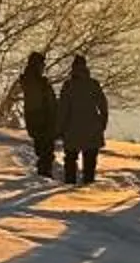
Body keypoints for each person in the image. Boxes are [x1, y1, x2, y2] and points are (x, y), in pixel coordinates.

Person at [57, 53, 108, 186]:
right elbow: (103, 105)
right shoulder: (93, 84)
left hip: (72, 128)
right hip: (92, 128)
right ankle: (88, 185)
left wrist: (60, 128)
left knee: (70, 159)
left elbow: (63, 109)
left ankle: (69, 185)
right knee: (90, 160)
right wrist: (102, 123)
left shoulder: (68, 86)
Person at [15, 50, 58, 177]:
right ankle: (44, 175)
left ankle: (44, 174)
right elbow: (43, 101)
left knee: (44, 149)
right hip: (42, 119)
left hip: (38, 118)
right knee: (46, 150)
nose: (43, 67)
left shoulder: (32, 80)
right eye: (42, 64)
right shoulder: (36, 81)